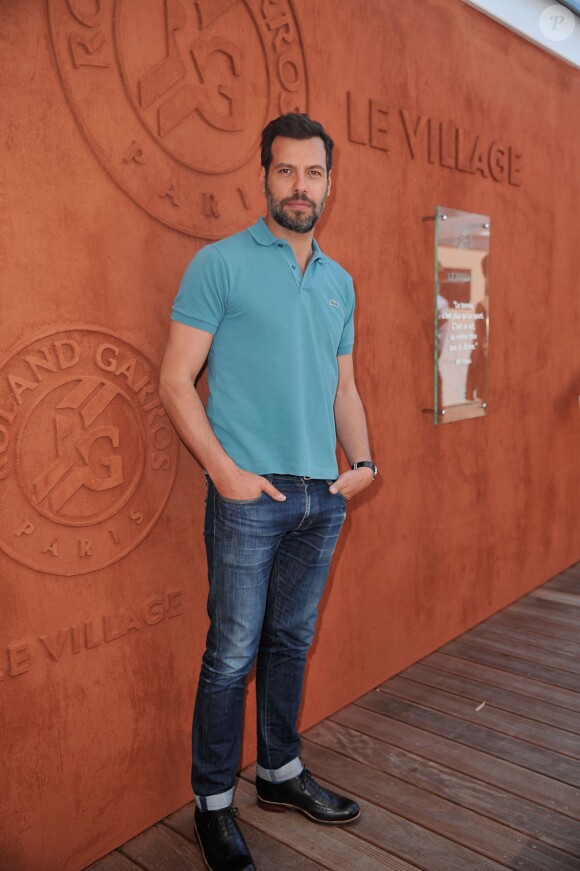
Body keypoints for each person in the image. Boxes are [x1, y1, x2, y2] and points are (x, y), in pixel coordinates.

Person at [159, 113, 376, 871]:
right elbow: (175, 379)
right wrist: (222, 470)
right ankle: (213, 803)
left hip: (322, 496)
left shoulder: (340, 281)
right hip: (248, 495)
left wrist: (365, 462)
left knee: (291, 641)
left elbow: (343, 387)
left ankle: (280, 772)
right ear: (264, 176)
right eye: (286, 171)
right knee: (230, 654)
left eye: (313, 173)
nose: (299, 187)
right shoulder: (218, 264)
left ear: (328, 182)